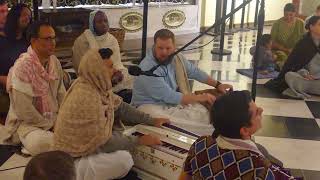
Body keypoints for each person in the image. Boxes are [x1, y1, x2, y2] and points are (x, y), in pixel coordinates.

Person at [54, 48, 169, 180]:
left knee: (123, 145)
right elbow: (104, 143)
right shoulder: (86, 96)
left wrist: (152, 120)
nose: (115, 70)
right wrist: (140, 140)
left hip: (88, 152)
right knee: (124, 160)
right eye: (110, 67)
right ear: (97, 70)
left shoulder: (95, 85)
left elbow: (121, 108)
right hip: (71, 162)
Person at [131, 29, 232, 135]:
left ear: (174, 47)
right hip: (149, 106)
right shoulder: (147, 67)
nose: (164, 52)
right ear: (154, 46)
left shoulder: (176, 57)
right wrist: (199, 97)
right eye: (160, 48)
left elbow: (194, 72)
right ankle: (213, 134)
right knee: (179, 121)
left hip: (170, 103)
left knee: (203, 113)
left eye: (168, 48)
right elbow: (169, 96)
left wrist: (218, 84)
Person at [180, 91, 298, 180]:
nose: (261, 110)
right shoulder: (260, 169)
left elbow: (184, 177)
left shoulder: (201, 143)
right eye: (257, 112)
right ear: (245, 130)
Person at [0, 21, 66, 156]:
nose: (53, 42)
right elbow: (24, 111)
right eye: (48, 39)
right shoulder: (22, 67)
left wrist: (62, 119)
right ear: (34, 41)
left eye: (54, 38)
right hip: (28, 126)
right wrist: (51, 125)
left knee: (78, 127)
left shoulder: (54, 62)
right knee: (40, 142)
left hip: (55, 119)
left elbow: (61, 94)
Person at [72, 10, 133, 103]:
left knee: (131, 77)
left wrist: (116, 73)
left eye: (105, 21)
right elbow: (81, 68)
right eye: (99, 22)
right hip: (91, 80)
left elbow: (117, 63)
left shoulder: (112, 39)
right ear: (92, 24)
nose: (104, 24)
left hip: (112, 73)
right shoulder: (82, 41)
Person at [266, 16, 320, 99]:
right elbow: (295, 65)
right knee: (289, 76)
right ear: (311, 27)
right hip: (305, 78)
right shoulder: (304, 44)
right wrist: (304, 73)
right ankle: (308, 88)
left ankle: (308, 88)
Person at [0, 3, 31, 120]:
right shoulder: (2, 40)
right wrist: (7, 80)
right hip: (6, 88)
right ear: (14, 16)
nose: (27, 18)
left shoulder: (28, 40)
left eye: (29, 16)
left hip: (27, 85)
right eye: (24, 15)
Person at [271, 3, 305, 69]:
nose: (288, 17)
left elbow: (305, 40)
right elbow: (272, 42)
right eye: (286, 15)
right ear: (283, 13)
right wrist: (286, 50)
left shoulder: (301, 23)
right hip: (280, 51)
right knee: (283, 58)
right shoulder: (277, 24)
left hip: (296, 51)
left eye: (291, 15)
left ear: (295, 13)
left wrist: (296, 50)